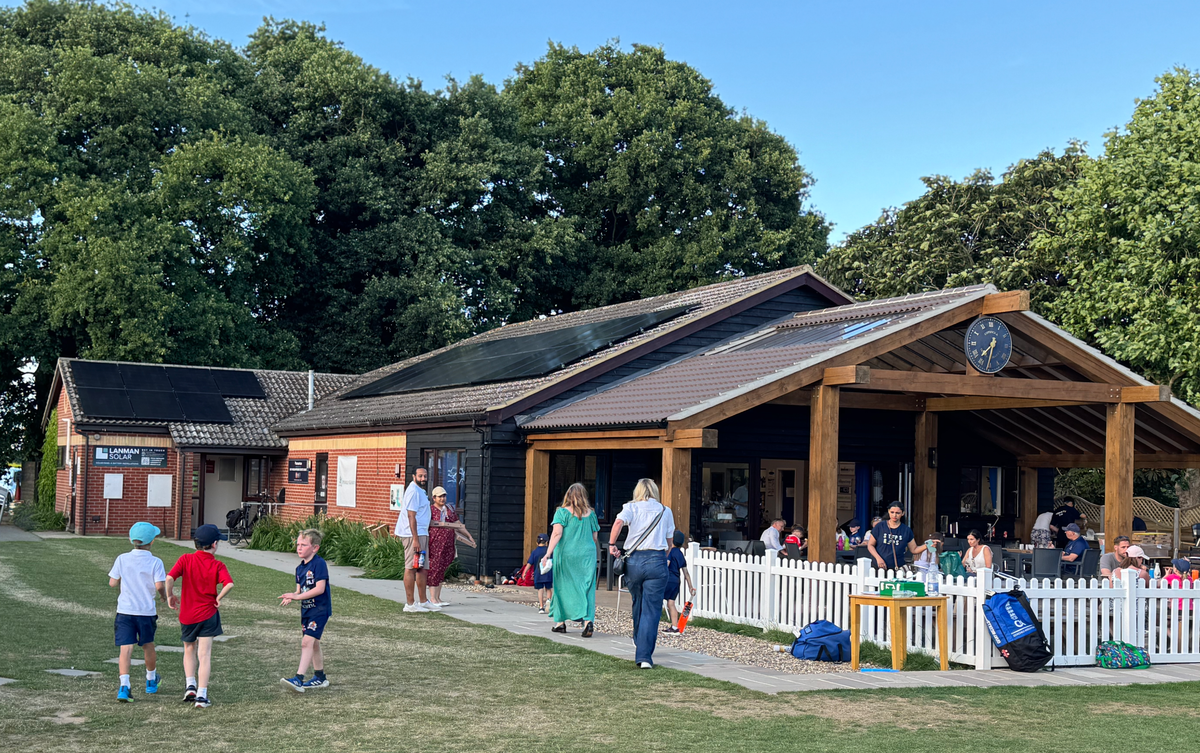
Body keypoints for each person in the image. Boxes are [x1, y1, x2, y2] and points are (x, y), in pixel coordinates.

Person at [608, 478, 675, 669]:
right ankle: (644, 655)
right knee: (652, 609)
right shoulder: (665, 510)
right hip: (657, 559)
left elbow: (618, 522)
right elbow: (669, 540)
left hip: (634, 561)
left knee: (638, 601)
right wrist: (665, 554)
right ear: (654, 491)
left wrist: (612, 545)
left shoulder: (631, 507)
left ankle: (639, 640)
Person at [166, 524, 234, 709]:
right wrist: (218, 597)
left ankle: (190, 686)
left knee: (189, 649)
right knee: (205, 654)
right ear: (214, 544)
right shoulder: (218, 564)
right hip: (208, 614)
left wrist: (170, 595)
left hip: (187, 615)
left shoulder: (186, 559)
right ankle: (202, 696)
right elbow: (229, 584)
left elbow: (169, 578)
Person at [108, 522, 168, 702]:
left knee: (125, 649)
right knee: (148, 645)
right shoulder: (156, 562)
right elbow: (159, 585)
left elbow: (112, 582)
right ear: (152, 541)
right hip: (146, 612)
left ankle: (124, 686)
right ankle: (151, 680)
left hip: (125, 611)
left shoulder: (122, 558)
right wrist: (164, 596)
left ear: (130, 539)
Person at [543, 483, 600, 636]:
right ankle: (588, 622)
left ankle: (560, 622)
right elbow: (595, 537)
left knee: (563, 586)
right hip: (587, 555)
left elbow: (557, 534)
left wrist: (547, 553)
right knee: (587, 587)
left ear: (567, 495)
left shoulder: (561, 513)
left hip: (567, 554)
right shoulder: (592, 514)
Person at [279, 528, 332, 692]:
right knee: (314, 644)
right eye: (298, 544)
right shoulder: (299, 569)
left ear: (315, 548)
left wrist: (297, 597)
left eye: (303, 545)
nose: (299, 548)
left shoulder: (319, 564)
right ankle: (320, 677)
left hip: (320, 610)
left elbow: (320, 589)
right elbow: (300, 591)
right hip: (307, 611)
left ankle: (299, 679)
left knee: (306, 643)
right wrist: (292, 595)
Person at [395, 466, 439, 613]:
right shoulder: (413, 491)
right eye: (420, 476)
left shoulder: (420, 490)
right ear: (414, 476)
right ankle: (410, 604)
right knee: (411, 568)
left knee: (421, 568)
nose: (423, 479)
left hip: (422, 533)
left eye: (425, 476)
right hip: (413, 535)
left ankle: (423, 601)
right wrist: (415, 540)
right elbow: (411, 516)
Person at [427, 485, 474, 607]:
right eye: (439, 496)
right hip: (435, 543)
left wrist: (468, 536)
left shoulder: (449, 509)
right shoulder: (430, 510)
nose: (442, 499)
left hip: (448, 544)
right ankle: (432, 598)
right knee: (434, 568)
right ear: (434, 498)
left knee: (442, 568)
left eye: (444, 496)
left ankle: (438, 597)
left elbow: (457, 524)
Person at [867, 502, 928, 571]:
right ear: (888, 512)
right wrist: (878, 558)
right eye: (892, 512)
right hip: (878, 566)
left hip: (897, 568)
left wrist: (927, 546)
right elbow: (870, 545)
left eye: (897, 513)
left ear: (902, 513)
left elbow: (914, 549)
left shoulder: (906, 530)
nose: (894, 515)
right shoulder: (880, 526)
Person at [663, 530, 695, 633]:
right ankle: (675, 627)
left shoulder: (670, 552)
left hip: (667, 580)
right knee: (671, 603)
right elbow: (686, 573)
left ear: (671, 540)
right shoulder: (680, 555)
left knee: (657, 600)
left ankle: (651, 625)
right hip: (676, 582)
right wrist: (690, 587)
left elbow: (666, 564)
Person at [526, 533, 553, 613]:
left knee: (540, 590)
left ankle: (541, 607)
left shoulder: (534, 552)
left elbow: (529, 563)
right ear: (547, 542)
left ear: (537, 542)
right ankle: (548, 602)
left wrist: (525, 572)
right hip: (548, 573)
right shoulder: (549, 551)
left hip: (538, 574)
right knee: (548, 589)